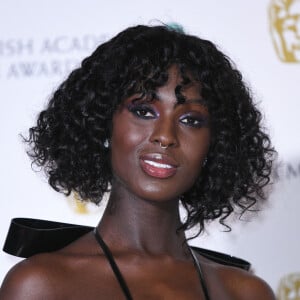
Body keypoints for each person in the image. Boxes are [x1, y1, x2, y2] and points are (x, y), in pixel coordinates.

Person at [0, 24, 276, 299]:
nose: (165, 136)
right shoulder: (42, 286)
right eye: (144, 111)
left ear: (216, 143)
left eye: (190, 120)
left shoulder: (245, 292)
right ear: (102, 125)